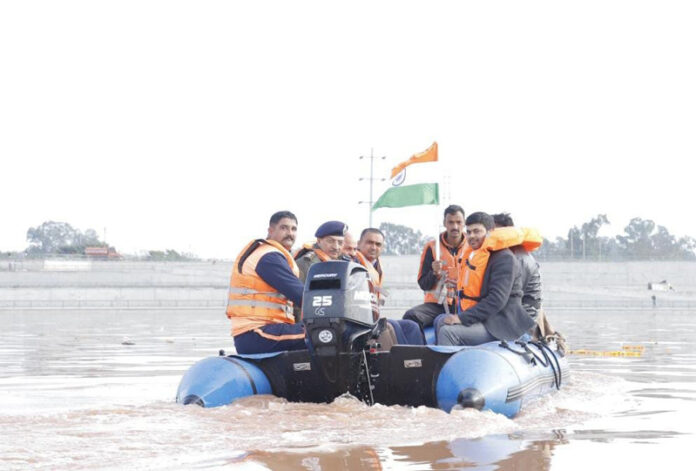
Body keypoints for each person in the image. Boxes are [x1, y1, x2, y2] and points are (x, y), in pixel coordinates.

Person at [436, 212, 535, 346]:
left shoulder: (504, 258)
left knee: (447, 332)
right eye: (469, 232)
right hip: (486, 319)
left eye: (477, 231)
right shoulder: (478, 256)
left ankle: (448, 366)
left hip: (502, 324)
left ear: (490, 232)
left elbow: (496, 300)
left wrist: (461, 318)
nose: (471, 236)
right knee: (439, 321)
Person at [226, 210, 306, 354]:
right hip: (256, 333)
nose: (290, 233)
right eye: (284, 228)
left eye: (293, 229)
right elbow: (301, 295)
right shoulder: (268, 257)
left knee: (320, 332)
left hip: (266, 330)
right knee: (324, 335)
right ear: (270, 230)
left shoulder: (274, 254)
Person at [403, 205, 467, 330]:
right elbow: (423, 284)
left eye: (458, 222)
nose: (455, 227)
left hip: (466, 304)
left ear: (464, 223)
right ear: (444, 223)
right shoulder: (432, 247)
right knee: (411, 316)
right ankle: (420, 348)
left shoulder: (472, 246)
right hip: (438, 305)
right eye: (451, 222)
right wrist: (433, 273)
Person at [356, 228, 424, 345]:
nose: (373, 247)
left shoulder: (377, 266)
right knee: (393, 327)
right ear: (359, 244)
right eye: (369, 242)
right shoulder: (354, 263)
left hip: (373, 317)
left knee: (411, 326)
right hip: (359, 320)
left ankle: (420, 359)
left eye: (378, 244)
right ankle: (403, 361)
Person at [492, 213, 542, 320]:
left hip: (524, 314)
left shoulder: (519, 259)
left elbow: (508, 293)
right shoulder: (506, 253)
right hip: (512, 309)